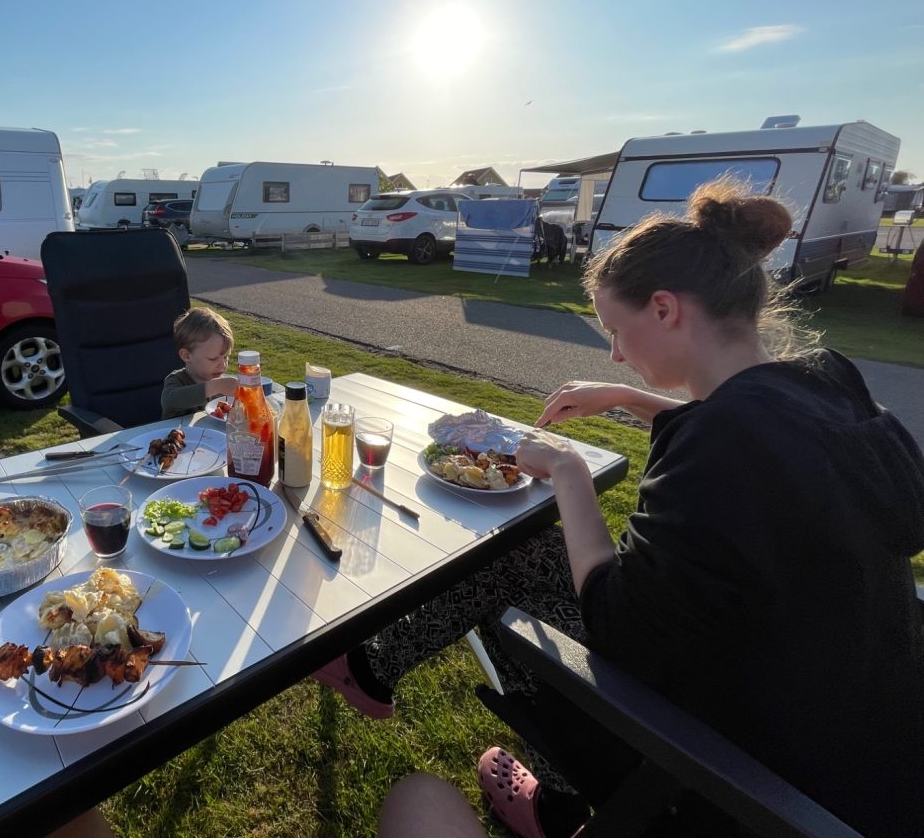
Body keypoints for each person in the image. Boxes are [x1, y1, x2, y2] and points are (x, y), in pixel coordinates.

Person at [321, 179, 924, 838]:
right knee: (529, 548)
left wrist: (568, 471)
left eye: (615, 330)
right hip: (864, 750)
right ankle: (405, 693)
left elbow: (615, 624)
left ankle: (398, 685)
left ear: (664, 309)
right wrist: (629, 397)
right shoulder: (827, 381)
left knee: (503, 557)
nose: (615, 352)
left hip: (729, 772)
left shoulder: (718, 451)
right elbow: (773, 446)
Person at [160, 307, 238, 416]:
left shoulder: (221, 382)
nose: (223, 364)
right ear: (186, 356)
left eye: (226, 357)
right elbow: (170, 401)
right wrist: (214, 387)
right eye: (213, 359)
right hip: (178, 432)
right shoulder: (177, 380)